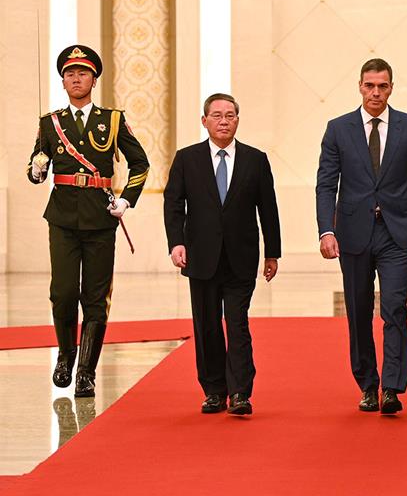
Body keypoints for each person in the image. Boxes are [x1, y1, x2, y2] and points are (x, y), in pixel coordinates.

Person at [26, 45, 150, 397]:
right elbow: (36, 167)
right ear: (63, 82)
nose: (76, 78)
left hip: (99, 218)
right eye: (69, 74)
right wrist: (36, 169)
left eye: (82, 73)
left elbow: (140, 163)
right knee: (62, 293)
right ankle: (66, 355)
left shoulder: (112, 120)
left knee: (96, 298)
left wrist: (126, 200)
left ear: (93, 79)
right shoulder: (50, 123)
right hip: (63, 217)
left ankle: (86, 371)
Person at [317, 58, 407, 414]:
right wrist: (326, 229)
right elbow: (326, 184)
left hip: (396, 233)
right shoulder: (339, 129)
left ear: (391, 88)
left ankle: (392, 388)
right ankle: (368, 384)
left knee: (395, 308)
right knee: (359, 311)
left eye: (382, 86)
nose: (376, 92)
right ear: (360, 86)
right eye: (370, 85)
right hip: (353, 233)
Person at [163, 93, 281, 416]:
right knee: (207, 325)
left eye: (230, 115)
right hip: (200, 257)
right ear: (205, 121)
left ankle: (241, 392)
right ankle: (214, 390)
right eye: (217, 115)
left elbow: (268, 209)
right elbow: (174, 204)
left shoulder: (255, 160)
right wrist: (176, 243)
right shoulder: (187, 159)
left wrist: (273, 253)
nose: (224, 121)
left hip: (241, 258)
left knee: (237, 322)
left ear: (238, 121)